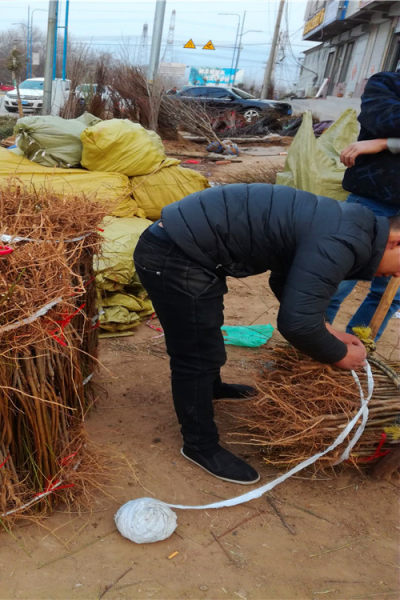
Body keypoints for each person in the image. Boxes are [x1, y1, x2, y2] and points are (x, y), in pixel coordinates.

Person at [133, 183, 400, 485]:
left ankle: (211, 388)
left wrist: (328, 331)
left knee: (205, 331)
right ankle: (199, 445)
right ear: (394, 242)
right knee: (194, 354)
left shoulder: (354, 227)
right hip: (172, 253)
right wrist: (339, 355)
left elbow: (284, 280)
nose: (398, 275)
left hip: (189, 246)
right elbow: (296, 323)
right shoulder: (343, 241)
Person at [325, 71, 400, 339]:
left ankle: (357, 353)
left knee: (388, 294)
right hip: (371, 199)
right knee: (336, 279)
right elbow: (386, 120)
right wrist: (387, 138)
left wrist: (385, 144)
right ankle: (313, 345)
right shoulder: (385, 83)